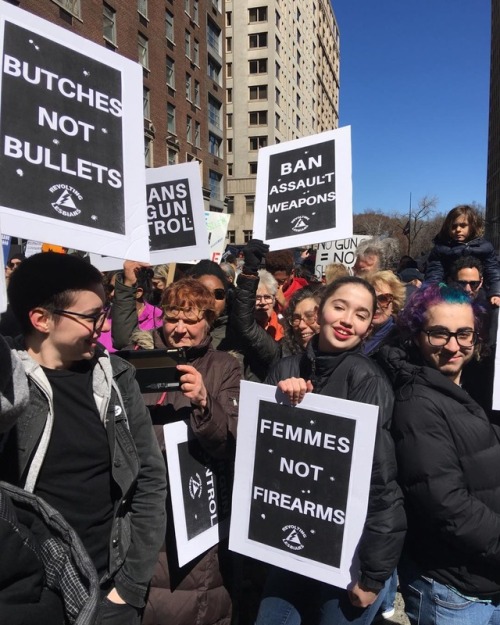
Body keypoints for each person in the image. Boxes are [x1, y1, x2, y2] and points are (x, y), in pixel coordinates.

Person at [0, 252, 166, 625]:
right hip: (32, 594)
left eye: (103, 312)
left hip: (110, 589)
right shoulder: (6, 385)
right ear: (41, 319)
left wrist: (129, 588)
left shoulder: (116, 377)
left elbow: (150, 479)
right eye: (92, 316)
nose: (101, 325)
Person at [256, 276, 406, 625]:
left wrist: (372, 575)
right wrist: (279, 401)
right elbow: (262, 456)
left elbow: (381, 483)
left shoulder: (367, 379)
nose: (347, 320)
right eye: (340, 306)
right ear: (320, 309)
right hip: (291, 544)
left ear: (369, 325)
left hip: (346, 555)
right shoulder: (285, 368)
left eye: (361, 314)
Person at [378, 283, 500, 625]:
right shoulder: (416, 401)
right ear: (417, 335)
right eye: (438, 334)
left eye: (464, 334)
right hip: (453, 592)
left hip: (483, 577)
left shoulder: (466, 385)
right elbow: (447, 505)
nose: (452, 346)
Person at [129, 278, 241, 625]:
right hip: (142, 504)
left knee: (189, 603)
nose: (179, 329)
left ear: (208, 321)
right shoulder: (139, 361)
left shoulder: (225, 366)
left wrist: (204, 402)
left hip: (195, 507)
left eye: (190, 320)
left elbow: (230, 441)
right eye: (171, 318)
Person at [425, 204, 500, 306]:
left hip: (478, 293)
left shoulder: (485, 247)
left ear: (472, 226)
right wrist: (432, 293)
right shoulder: (441, 249)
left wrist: (496, 293)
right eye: (454, 226)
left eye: (463, 225)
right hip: (450, 293)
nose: (458, 229)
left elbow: (493, 272)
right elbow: (434, 273)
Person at [363, 271, 406, 357]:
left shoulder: (399, 341)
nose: (376, 305)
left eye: (383, 299)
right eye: (371, 298)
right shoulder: (355, 331)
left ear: (394, 304)